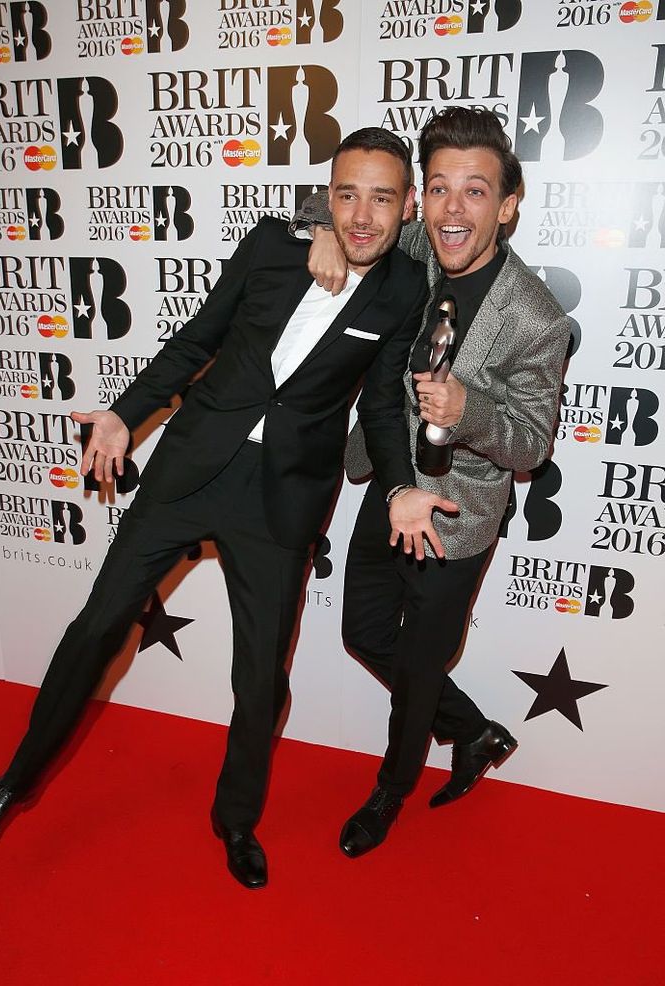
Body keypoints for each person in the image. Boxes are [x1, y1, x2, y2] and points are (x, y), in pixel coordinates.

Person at [0, 128, 431, 889]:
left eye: (380, 197)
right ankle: (15, 782)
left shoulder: (406, 289)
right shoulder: (275, 243)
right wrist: (122, 413)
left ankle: (236, 819)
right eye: (344, 194)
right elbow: (196, 339)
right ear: (326, 194)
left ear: (406, 205)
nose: (361, 215)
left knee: (261, 677)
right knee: (97, 624)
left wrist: (401, 483)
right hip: (191, 468)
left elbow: (378, 404)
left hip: (283, 498)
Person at [291, 107, 570, 857]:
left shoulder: (537, 319)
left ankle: (391, 789)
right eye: (439, 187)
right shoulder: (415, 241)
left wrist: (470, 408)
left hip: (457, 514)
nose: (452, 209)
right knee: (363, 633)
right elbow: (345, 209)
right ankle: (475, 730)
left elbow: (532, 445)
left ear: (507, 205)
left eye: (475, 192)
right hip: (390, 485)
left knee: (417, 668)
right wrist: (320, 228)